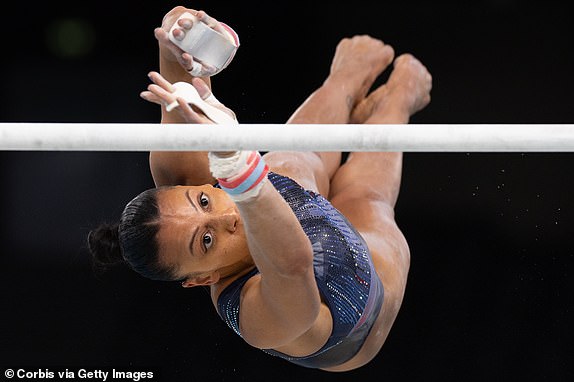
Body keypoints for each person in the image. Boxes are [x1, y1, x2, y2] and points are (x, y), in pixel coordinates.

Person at [88, 6, 432, 371]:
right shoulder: (257, 317)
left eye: (204, 200)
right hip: (361, 296)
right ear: (202, 279)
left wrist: (182, 39)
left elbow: (178, 90)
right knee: (366, 198)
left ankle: (345, 82)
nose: (225, 217)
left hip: (287, 194)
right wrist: (236, 166)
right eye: (206, 241)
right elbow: (294, 263)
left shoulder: (182, 175)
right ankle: (398, 99)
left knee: (288, 165)